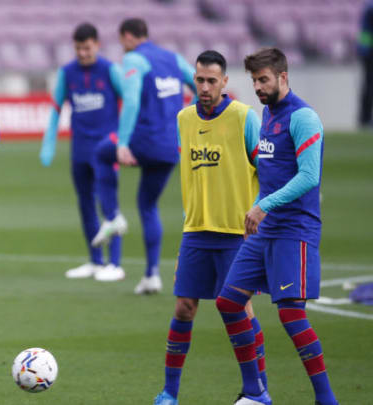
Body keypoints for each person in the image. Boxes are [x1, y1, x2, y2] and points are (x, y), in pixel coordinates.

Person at [215, 48, 338, 405]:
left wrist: (263, 206)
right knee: (228, 301)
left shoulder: (304, 118)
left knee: (290, 313)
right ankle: (255, 392)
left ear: (283, 77)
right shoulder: (267, 113)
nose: (257, 86)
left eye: (263, 79)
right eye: (254, 80)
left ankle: (326, 399)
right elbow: (267, 170)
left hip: (294, 229)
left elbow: (309, 176)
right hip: (264, 230)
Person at [153, 51, 265, 405]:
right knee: (184, 307)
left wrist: (262, 212)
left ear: (225, 82)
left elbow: (270, 172)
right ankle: (170, 392)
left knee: (239, 309)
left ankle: (257, 391)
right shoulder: (184, 119)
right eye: (199, 80)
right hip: (196, 232)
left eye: (211, 81)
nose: (204, 86)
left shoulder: (245, 118)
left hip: (236, 234)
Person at [93, 17, 196, 287]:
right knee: (148, 205)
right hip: (170, 145)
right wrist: (189, 118)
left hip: (144, 140)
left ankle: (113, 216)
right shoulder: (174, 58)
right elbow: (200, 87)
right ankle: (151, 275)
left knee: (102, 153)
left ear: (127, 36)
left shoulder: (135, 60)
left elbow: (131, 99)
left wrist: (124, 142)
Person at [39, 22, 125, 281]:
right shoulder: (67, 73)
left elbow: (130, 103)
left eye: (87, 48)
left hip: (106, 148)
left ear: (97, 45)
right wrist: (49, 142)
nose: (83, 53)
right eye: (78, 48)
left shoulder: (110, 70)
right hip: (80, 148)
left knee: (109, 204)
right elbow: (56, 108)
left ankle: (116, 263)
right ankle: (96, 260)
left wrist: (122, 138)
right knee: (86, 204)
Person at [358, 0, 373, 128]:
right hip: (370, 55)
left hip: (367, 53)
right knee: (369, 87)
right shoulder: (370, 8)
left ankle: (365, 118)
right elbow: (365, 32)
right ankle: (365, 119)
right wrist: (365, 51)